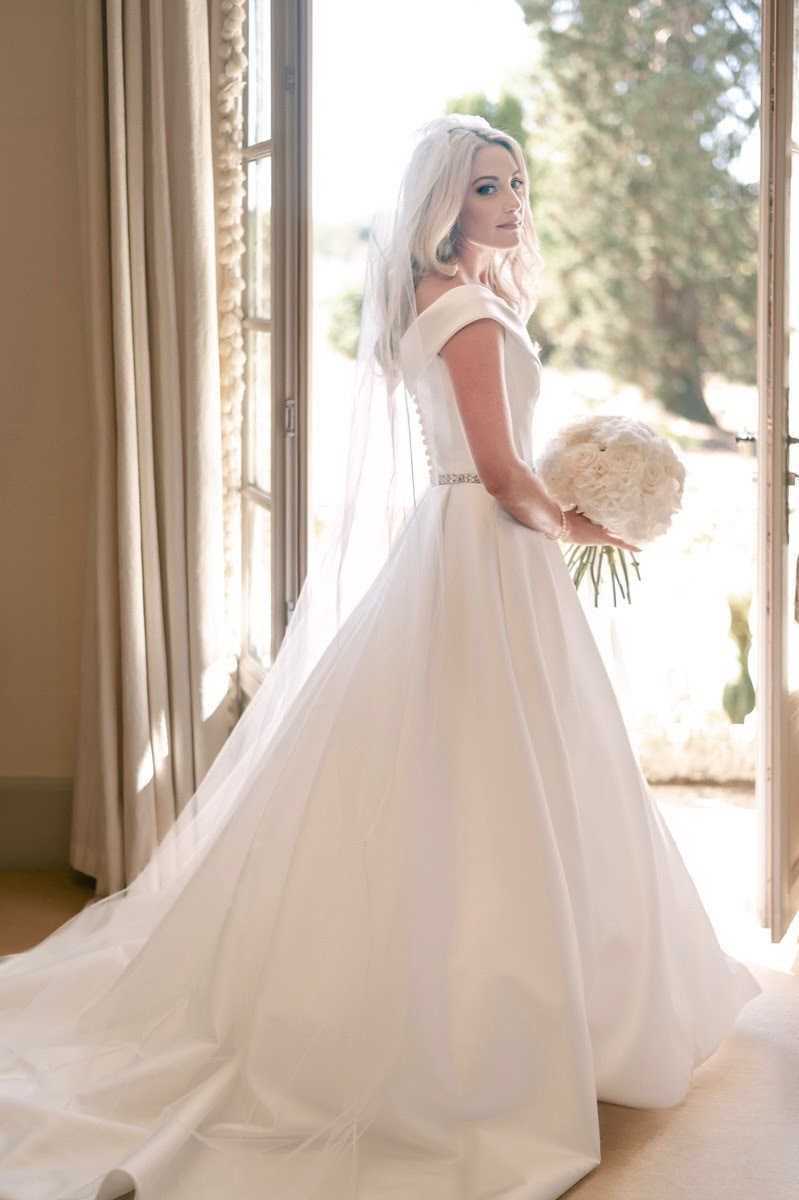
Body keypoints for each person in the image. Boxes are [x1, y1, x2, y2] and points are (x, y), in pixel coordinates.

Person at [0, 114, 761, 1200]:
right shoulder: (467, 312)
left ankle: (518, 1000)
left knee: (481, 774)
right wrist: (589, 524)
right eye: (483, 187)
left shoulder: (437, 302)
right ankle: (488, 1026)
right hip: (486, 547)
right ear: (442, 205)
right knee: (502, 775)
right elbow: (502, 478)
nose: (506, 201)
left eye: (513, 183)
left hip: (461, 548)